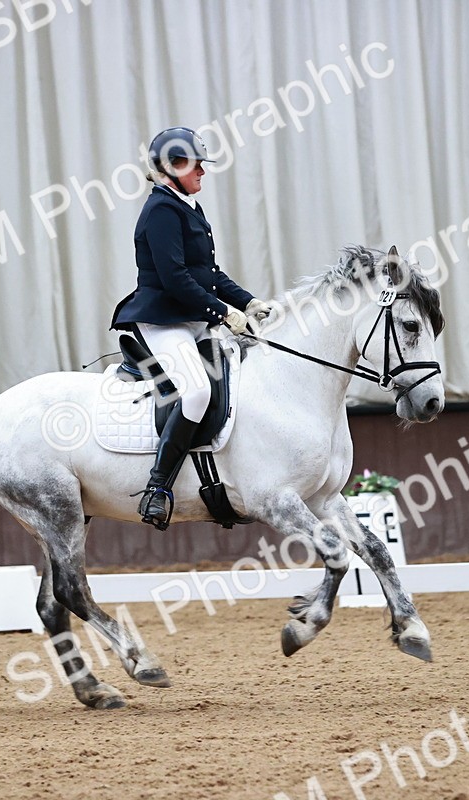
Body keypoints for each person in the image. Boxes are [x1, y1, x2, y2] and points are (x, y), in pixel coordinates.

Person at [110, 126, 272, 530]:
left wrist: (248, 302)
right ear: (172, 167)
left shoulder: (187, 206)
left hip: (192, 318)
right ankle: (158, 488)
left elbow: (210, 274)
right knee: (197, 389)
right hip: (164, 320)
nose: (203, 170)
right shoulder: (161, 211)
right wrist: (223, 314)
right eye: (195, 163)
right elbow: (176, 279)